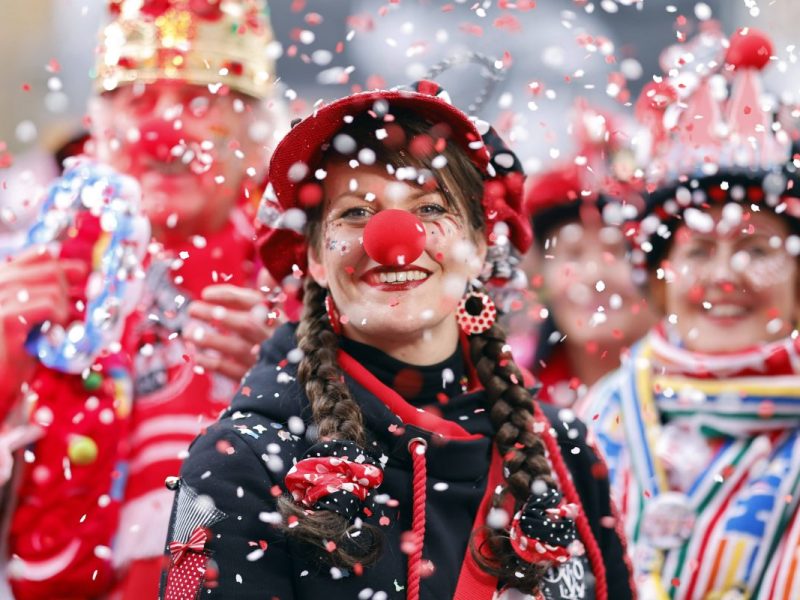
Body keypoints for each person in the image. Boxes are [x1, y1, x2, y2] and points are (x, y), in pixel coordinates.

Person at [161, 80, 634, 600]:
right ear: (316, 257)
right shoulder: (242, 462)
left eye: (430, 208)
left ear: (479, 245)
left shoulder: (560, 453)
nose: (394, 241)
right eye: (355, 213)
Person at [0, 1, 285, 597]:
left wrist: (296, 383)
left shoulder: (310, 284)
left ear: (255, 133)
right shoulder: (23, 265)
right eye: (139, 100)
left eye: (199, 101)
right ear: (100, 129)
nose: (165, 131)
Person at [578, 26, 800, 599]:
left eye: (756, 248)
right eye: (698, 250)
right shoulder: (592, 425)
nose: (725, 277)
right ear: (659, 279)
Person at [510, 103, 655, 406]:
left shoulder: (701, 393)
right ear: (541, 276)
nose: (594, 276)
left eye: (617, 251)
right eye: (572, 255)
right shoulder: (507, 394)